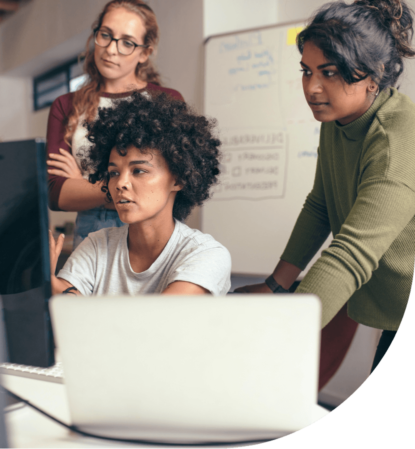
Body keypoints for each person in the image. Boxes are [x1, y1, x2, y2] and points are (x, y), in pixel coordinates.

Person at [236, 0, 415, 376]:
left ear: (374, 75)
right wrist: (276, 286)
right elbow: (321, 205)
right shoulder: (338, 120)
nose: (312, 88)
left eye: (329, 73)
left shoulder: (397, 139)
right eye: (306, 71)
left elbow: (351, 252)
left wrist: (285, 330)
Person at [49, 92, 231, 297]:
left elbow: (152, 321)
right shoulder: (97, 244)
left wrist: (57, 289)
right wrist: (50, 284)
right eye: (114, 173)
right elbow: (67, 312)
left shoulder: (206, 254)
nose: (120, 183)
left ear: (178, 179)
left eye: (139, 171)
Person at [46, 0, 184, 249]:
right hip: (90, 234)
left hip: (154, 234)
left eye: (127, 42)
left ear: (144, 52)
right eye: (106, 35)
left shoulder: (166, 101)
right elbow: (56, 195)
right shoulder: (66, 105)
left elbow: (176, 186)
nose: (111, 49)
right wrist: (136, 187)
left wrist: (85, 185)